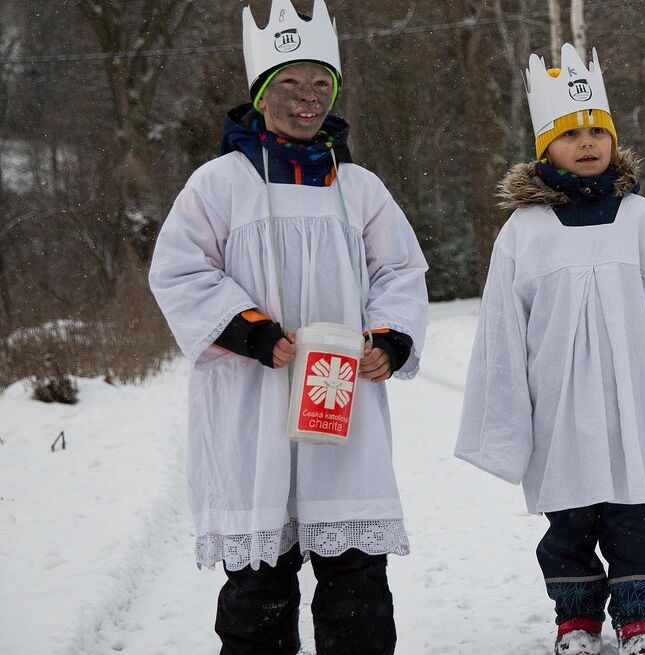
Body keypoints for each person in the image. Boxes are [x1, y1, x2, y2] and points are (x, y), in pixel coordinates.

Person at [147, 1, 428, 652]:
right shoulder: (219, 184)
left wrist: (389, 337)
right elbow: (179, 270)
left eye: (321, 86)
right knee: (258, 596)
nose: (309, 100)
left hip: (342, 410)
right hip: (254, 411)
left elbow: (402, 270)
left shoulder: (357, 188)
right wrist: (249, 329)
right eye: (291, 85)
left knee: (356, 588)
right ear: (261, 92)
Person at [454, 43, 645, 655]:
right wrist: (509, 420)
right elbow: (502, 331)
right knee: (568, 521)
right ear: (546, 147)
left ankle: (641, 619)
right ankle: (575, 619)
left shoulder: (641, 219)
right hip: (558, 404)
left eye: (599, 130)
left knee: (633, 519)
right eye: (573, 134)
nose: (589, 143)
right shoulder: (523, 232)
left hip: (628, 402)